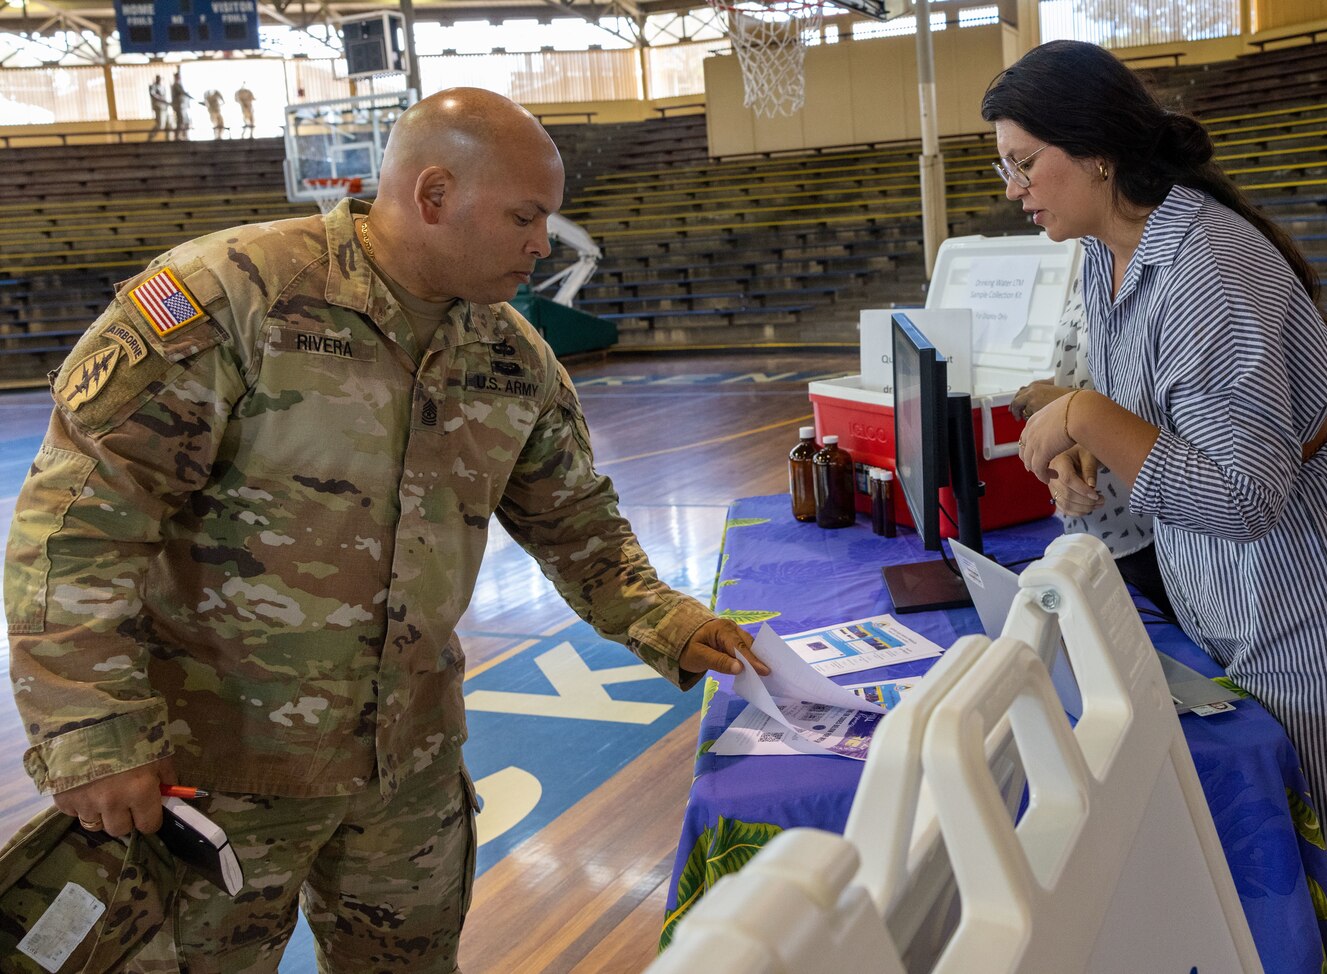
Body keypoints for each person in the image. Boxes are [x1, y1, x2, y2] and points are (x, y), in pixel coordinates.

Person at [2, 87, 766, 972]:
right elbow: (78, 525)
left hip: (410, 773)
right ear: (433, 195)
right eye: (525, 217)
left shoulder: (514, 356)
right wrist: (89, 730)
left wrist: (670, 622)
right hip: (213, 776)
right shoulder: (232, 301)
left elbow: (578, 526)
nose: (539, 245)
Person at [986, 40, 1327, 973]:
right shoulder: (1108, 257)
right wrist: (1088, 457)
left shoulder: (1205, 266)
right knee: (1309, 839)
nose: (1013, 188)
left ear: (1095, 149)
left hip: (1320, 597)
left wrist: (1084, 412)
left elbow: (1243, 494)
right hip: (1232, 588)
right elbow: (1169, 432)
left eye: (1026, 163)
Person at [1007, 255, 1171, 618]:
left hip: (1159, 535)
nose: (1013, 193)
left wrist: (1071, 410)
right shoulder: (1092, 259)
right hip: (1099, 531)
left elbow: (1176, 415)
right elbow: (1100, 377)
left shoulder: (1175, 272)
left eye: (1029, 189)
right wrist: (1062, 448)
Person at [169, 69, 195, 141]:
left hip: (182, 106)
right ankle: (177, 136)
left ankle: (184, 136)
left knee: (185, 121)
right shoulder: (176, 85)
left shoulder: (178, 84)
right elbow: (183, 92)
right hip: (179, 106)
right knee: (180, 121)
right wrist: (191, 97)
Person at [146, 73, 169, 142]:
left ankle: (168, 139)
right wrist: (160, 99)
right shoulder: (153, 86)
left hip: (164, 107)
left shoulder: (162, 86)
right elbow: (153, 94)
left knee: (167, 124)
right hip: (158, 106)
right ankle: (151, 137)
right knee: (160, 125)